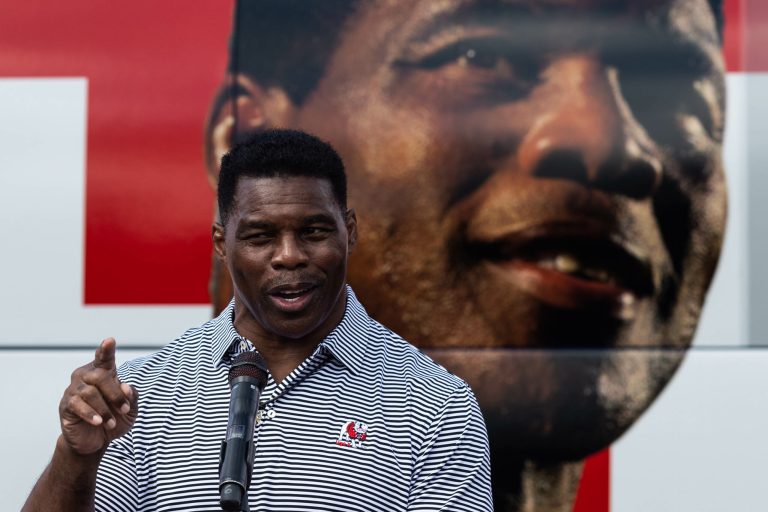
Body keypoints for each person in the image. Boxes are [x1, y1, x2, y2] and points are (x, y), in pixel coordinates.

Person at [204, 1, 728, 510]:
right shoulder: (161, 401)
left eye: (679, 95)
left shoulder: (442, 404)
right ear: (251, 140)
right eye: (482, 57)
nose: (604, 143)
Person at [23, 130, 493, 511]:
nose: (289, 256)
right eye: (260, 236)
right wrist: (76, 456)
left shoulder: (435, 405)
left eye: (313, 231)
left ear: (349, 232)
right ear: (221, 244)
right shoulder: (142, 397)